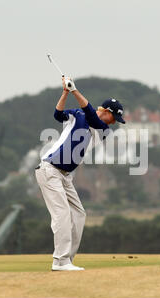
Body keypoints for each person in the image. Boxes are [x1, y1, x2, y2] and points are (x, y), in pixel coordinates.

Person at [35, 76, 126, 271]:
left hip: (65, 176)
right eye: (114, 118)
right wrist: (66, 93)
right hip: (50, 169)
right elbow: (58, 115)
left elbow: (92, 116)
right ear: (107, 112)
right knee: (62, 214)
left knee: (79, 214)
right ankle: (60, 261)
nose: (113, 123)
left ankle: (67, 260)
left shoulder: (103, 130)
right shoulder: (77, 114)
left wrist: (75, 91)